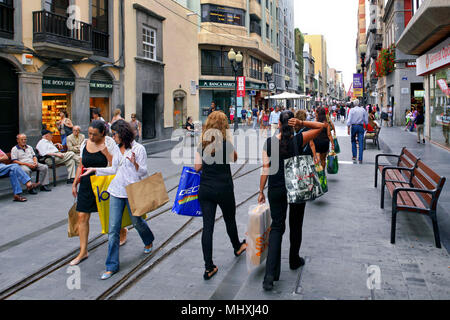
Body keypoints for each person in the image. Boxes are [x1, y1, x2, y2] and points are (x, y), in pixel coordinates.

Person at [258, 111, 325, 291]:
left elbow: (266, 168)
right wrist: (302, 122)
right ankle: (294, 260)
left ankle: (270, 276)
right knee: (296, 225)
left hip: (276, 189)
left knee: (277, 228)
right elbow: (321, 126)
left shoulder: (269, 142)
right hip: (296, 187)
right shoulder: (298, 139)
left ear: (278, 123)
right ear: (293, 123)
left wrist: (260, 191)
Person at [81, 120, 154, 280]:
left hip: (132, 192)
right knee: (113, 230)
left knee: (137, 222)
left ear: (123, 133)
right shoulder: (116, 149)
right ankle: (111, 266)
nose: (113, 137)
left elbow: (143, 172)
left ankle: (148, 239)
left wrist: (135, 164)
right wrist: (95, 169)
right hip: (116, 191)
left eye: (114, 134)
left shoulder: (138, 149)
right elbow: (113, 169)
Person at [194, 111, 247, 280]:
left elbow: (196, 167)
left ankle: (208, 267)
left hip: (206, 189)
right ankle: (237, 247)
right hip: (224, 188)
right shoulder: (226, 144)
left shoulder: (201, 144)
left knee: (207, 227)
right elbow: (235, 159)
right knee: (229, 219)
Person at [70, 120, 128, 266]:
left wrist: (106, 152)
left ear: (103, 133)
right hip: (86, 182)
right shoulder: (85, 143)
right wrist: (75, 182)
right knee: (82, 216)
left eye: (94, 134)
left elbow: (115, 165)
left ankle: (122, 230)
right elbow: (81, 164)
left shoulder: (110, 143)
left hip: (104, 184)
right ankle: (83, 251)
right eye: (89, 133)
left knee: (111, 216)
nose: (91, 137)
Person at [347, 100, 369, 164]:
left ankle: (354, 156)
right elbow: (366, 120)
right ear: (359, 104)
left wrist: (348, 128)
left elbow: (349, 120)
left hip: (354, 126)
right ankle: (360, 158)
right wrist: (366, 127)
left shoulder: (352, 110)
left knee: (353, 141)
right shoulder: (363, 110)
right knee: (361, 142)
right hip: (360, 126)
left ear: (353, 104)